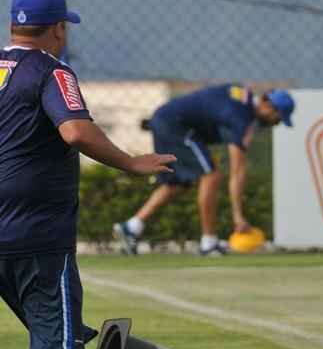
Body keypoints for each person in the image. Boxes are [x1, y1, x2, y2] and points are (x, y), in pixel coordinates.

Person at [0, 0, 176, 349]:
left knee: (63, 340)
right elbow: (75, 131)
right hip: (36, 230)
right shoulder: (51, 71)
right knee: (55, 343)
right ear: (58, 29)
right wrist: (131, 162)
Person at [113, 83, 295, 255]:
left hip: (165, 119)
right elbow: (237, 170)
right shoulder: (242, 117)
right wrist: (238, 216)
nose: (275, 123)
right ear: (268, 105)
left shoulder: (243, 98)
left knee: (177, 184)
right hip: (176, 125)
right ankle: (209, 242)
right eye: (277, 118)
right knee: (212, 175)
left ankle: (132, 227)